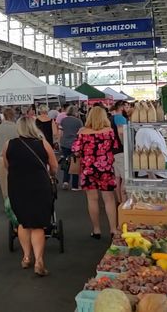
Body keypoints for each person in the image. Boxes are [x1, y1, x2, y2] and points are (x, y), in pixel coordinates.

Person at [5, 117, 58, 276]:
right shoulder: (43, 143)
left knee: (23, 222)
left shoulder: (9, 144)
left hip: (17, 186)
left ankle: (26, 257)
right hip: (39, 186)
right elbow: (54, 166)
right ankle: (39, 260)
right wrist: (50, 175)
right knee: (38, 224)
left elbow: (6, 165)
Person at [72, 106, 119, 239]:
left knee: (92, 199)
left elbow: (75, 150)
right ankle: (113, 229)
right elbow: (115, 147)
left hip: (88, 169)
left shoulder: (82, 132)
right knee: (109, 199)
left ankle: (96, 230)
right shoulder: (109, 131)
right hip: (105, 168)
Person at [0, 108, 19, 199]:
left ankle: (7, 203)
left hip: (1, 159)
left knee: (4, 184)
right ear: (14, 116)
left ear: (3, 116)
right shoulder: (18, 128)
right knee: (18, 182)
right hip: (17, 158)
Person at [59, 105, 84, 191]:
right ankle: (75, 185)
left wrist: (60, 141)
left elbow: (61, 132)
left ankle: (65, 181)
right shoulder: (78, 121)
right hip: (75, 144)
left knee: (66, 162)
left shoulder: (63, 120)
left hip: (64, 143)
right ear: (75, 112)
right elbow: (81, 133)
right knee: (75, 164)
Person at [110, 101, 128, 202]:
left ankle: (119, 200)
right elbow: (121, 133)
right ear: (121, 108)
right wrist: (126, 145)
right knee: (125, 178)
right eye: (126, 106)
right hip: (121, 151)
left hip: (113, 151)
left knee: (117, 177)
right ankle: (123, 202)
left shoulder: (111, 118)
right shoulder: (120, 118)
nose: (128, 108)